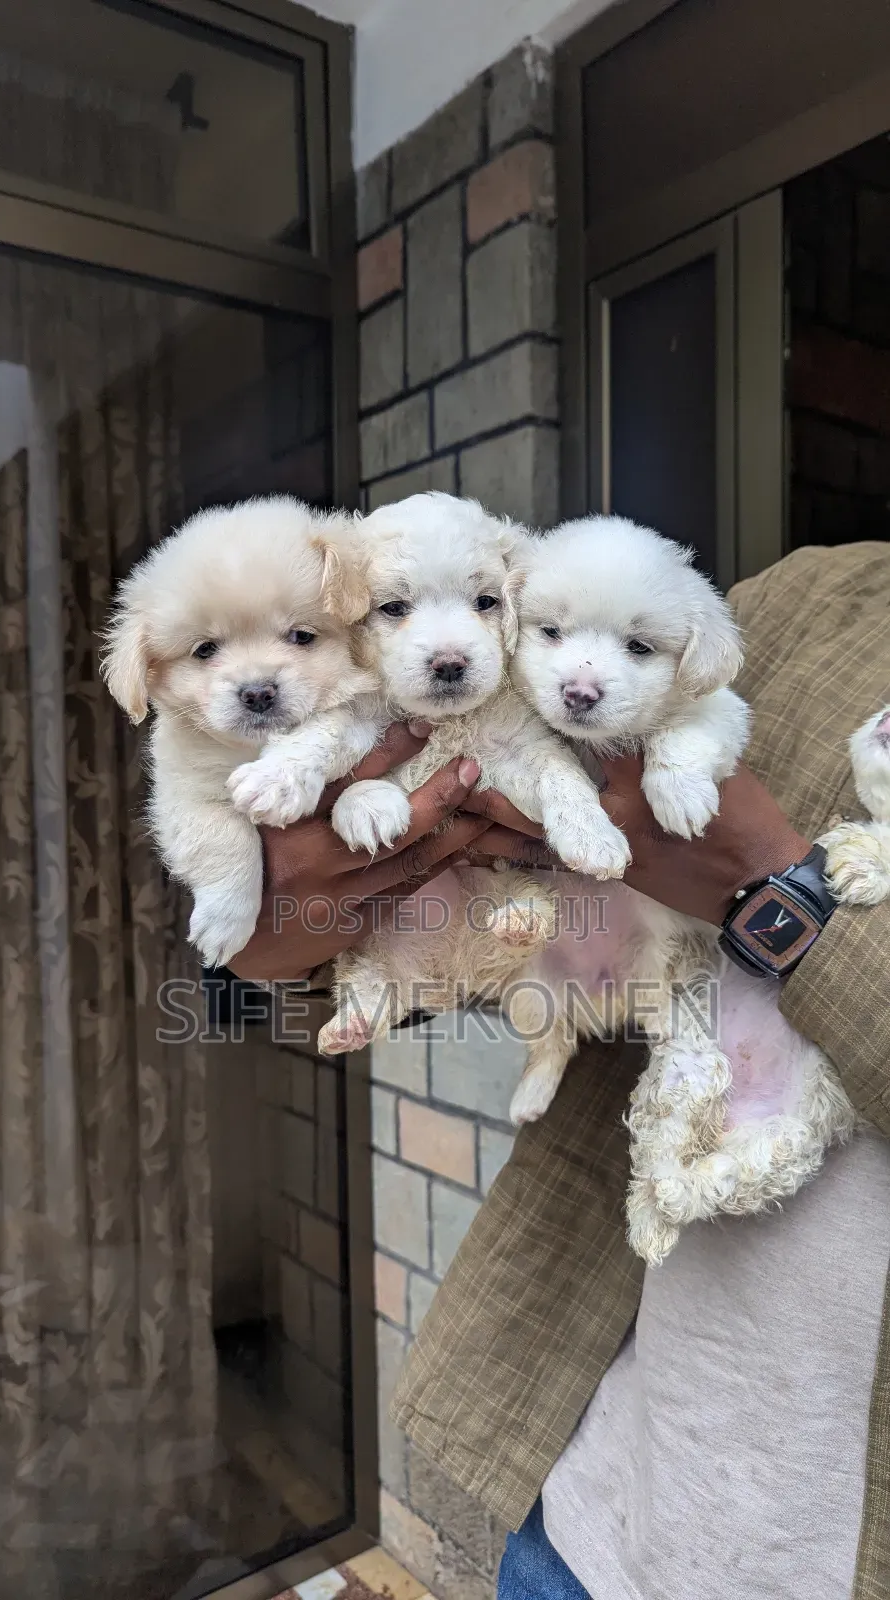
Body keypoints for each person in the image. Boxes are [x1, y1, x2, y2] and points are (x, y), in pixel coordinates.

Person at [233, 541, 890, 1600]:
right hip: (607, 1497)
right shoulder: (821, 595)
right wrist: (311, 941)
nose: (584, 672)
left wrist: (775, 897)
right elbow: (532, 890)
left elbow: (698, 850)